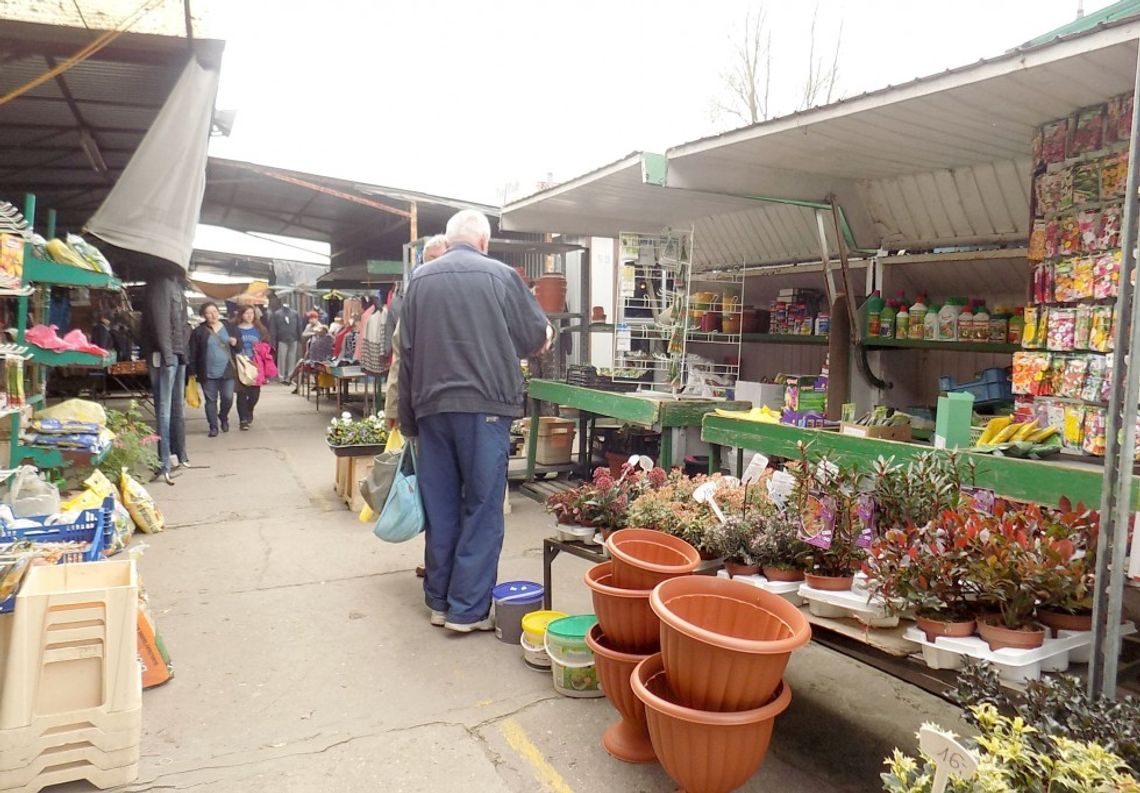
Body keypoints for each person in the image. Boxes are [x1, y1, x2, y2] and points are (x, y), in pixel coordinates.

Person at [399, 210, 550, 632]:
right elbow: (535, 337)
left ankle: (440, 602)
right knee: (482, 506)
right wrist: (546, 335)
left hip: (431, 409)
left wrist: (409, 421)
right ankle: (468, 609)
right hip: (485, 408)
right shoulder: (501, 277)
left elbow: (406, 355)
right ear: (483, 241)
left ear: (447, 241)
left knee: (442, 506)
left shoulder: (420, 282)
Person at [386, 234, 447, 579]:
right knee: (432, 492)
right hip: (425, 410)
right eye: (428, 260)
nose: (433, 267)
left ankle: (450, 568)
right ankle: (437, 564)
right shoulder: (414, 300)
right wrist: (393, 408)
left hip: (459, 411)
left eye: (439, 258)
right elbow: (399, 359)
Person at [187, 302, 235, 437]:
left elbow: (239, 346)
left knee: (228, 397)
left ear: (218, 312)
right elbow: (193, 352)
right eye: (209, 312)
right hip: (207, 372)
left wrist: (235, 343)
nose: (213, 315)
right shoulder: (199, 331)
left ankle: (223, 416)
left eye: (214, 311)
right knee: (211, 400)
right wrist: (192, 370)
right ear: (204, 315)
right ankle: (213, 427)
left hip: (227, 369)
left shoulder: (228, 326)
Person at [234, 305, 267, 430]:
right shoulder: (235, 329)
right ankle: (243, 420)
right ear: (241, 314)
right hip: (241, 363)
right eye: (247, 313)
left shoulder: (260, 329)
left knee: (254, 394)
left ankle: (249, 410)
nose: (249, 316)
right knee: (241, 393)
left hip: (255, 363)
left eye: (252, 313)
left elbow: (266, 344)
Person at [270, 302, 302, 384]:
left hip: (293, 338)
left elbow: (299, 326)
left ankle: (290, 377)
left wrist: (300, 338)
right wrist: (273, 340)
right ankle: (281, 376)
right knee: (281, 358)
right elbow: (273, 328)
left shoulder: (295, 313)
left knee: (292, 358)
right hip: (281, 338)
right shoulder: (277, 314)